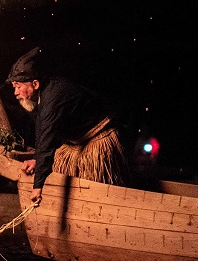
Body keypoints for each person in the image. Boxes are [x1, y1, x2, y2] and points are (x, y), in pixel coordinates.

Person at [7, 47, 131, 205]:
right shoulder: (41, 98)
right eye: (14, 87)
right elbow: (41, 133)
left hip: (97, 140)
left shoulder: (53, 98)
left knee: (96, 194)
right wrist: (37, 160)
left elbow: (47, 139)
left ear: (35, 84)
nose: (15, 93)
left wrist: (37, 187)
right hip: (76, 144)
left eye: (18, 87)